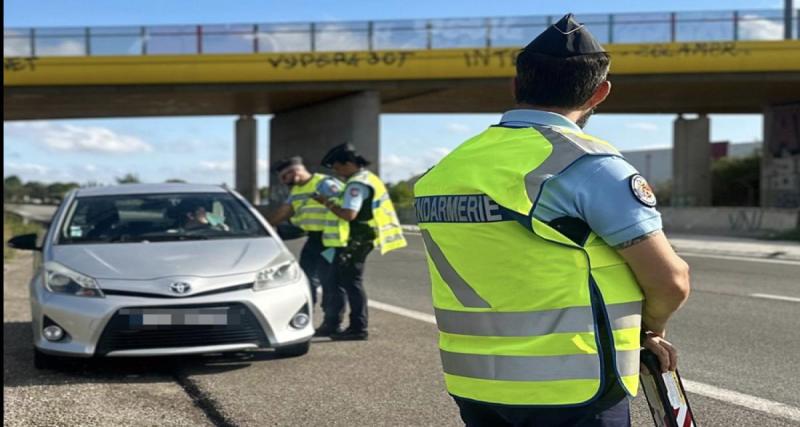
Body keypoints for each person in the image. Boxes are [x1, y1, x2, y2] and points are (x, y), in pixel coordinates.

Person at [413, 14, 691, 427]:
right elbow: (671, 281)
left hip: (476, 384)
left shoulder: (446, 170)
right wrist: (647, 329)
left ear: (516, 86)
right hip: (572, 389)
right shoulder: (587, 166)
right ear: (600, 93)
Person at [311, 143, 407, 340]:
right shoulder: (370, 178)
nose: (337, 173)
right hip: (363, 236)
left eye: (338, 168)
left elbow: (349, 214)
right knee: (339, 279)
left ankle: (357, 328)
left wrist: (326, 202)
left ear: (348, 163)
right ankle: (334, 323)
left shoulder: (356, 185)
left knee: (350, 282)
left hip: (358, 238)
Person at [267, 157, 342, 307]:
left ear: (295, 172)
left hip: (332, 240)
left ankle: (333, 323)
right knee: (307, 278)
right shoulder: (297, 190)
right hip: (314, 239)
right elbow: (284, 212)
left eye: (284, 177)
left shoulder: (325, 184)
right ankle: (308, 314)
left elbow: (347, 208)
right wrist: (263, 227)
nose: (283, 181)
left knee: (330, 281)